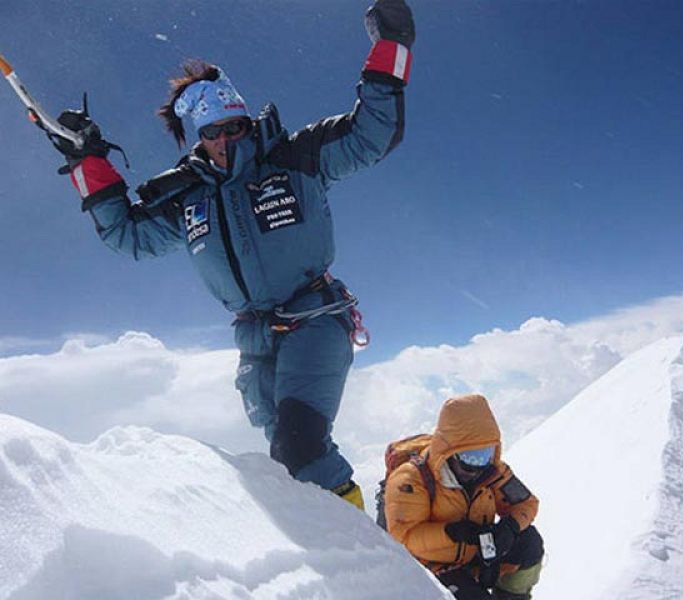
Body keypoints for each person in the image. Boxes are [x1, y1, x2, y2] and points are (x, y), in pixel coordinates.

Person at [49, 0, 415, 509]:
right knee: (287, 468)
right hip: (255, 338)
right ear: (197, 137)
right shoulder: (188, 198)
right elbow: (127, 235)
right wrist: (84, 159)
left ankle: (374, 569)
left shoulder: (297, 158)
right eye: (212, 132)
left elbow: (372, 134)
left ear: (245, 121)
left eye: (233, 126)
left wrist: (392, 45)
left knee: (301, 449)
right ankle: (342, 551)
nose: (225, 140)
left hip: (314, 318)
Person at [384, 394, 544, 599]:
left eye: (485, 454)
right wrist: (452, 533)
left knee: (529, 542)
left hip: (477, 553)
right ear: (449, 452)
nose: (477, 466)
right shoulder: (410, 479)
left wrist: (510, 528)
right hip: (433, 566)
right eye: (470, 457)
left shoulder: (492, 472)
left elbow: (526, 503)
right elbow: (404, 537)